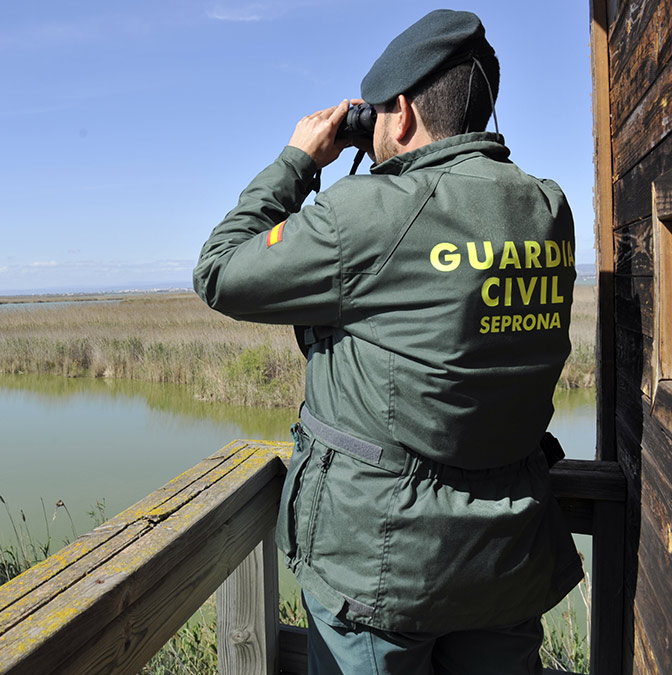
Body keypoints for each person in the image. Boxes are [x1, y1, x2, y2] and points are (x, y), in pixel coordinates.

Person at [193, 10, 582, 674]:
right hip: (506, 560)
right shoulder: (546, 208)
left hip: (380, 569)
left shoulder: (365, 216)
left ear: (401, 113)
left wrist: (297, 161)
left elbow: (220, 272)